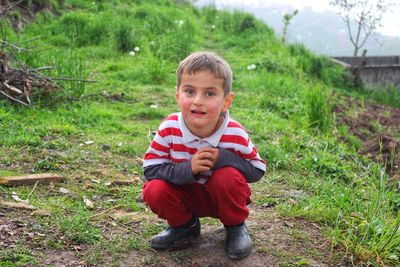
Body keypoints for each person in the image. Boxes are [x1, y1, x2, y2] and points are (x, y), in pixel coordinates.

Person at [142, 51, 266, 260]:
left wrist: (223, 158)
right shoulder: (169, 128)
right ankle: (185, 226)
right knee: (154, 189)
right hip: (186, 196)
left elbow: (257, 170)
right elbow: (151, 169)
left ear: (226, 101)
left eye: (209, 93)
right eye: (189, 91)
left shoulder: (234, 133)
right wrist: (188, 168)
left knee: (227, 176)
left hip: (224, 198)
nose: (197, 101)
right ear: (177, 95)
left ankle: (235, 227)